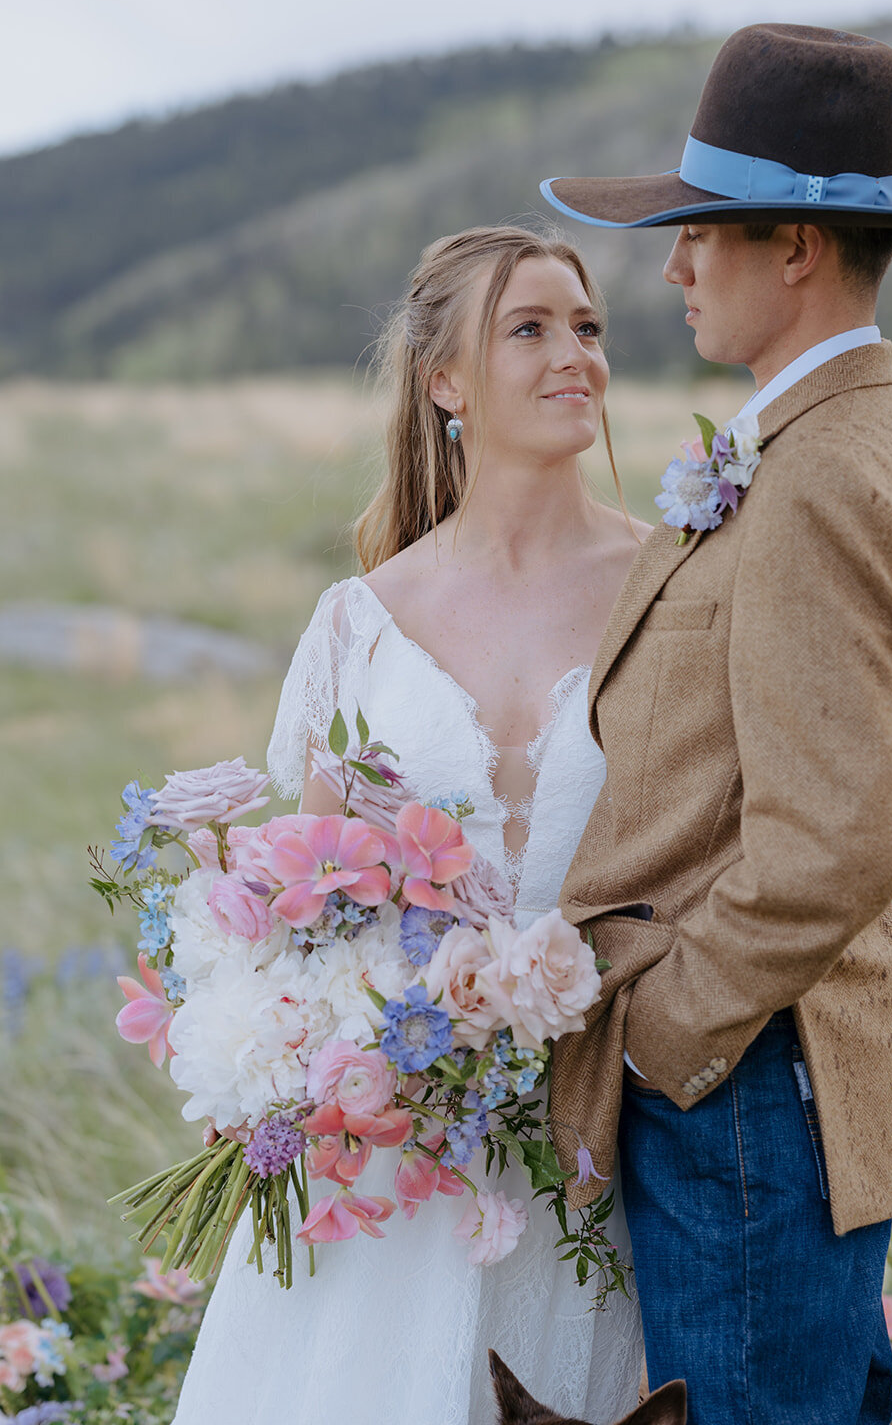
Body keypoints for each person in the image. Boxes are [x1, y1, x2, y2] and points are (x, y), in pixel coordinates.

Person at [539, 22, 892, 1425]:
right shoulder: (806, 437)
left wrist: (664, 1041)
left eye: (701, 234)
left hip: (751, 1090)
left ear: (797, 251)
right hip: (758, 1088)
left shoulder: (821, 469)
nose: (672, 264)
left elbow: (839, 834)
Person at [170, 225, 649, 1425]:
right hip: (391, 1152)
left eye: (585, 327)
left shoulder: (671, 588)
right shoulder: (358, 623)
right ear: (445, 382)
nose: (573, 356)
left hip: (603, 1131)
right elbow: (306, 902)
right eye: (529, 329)